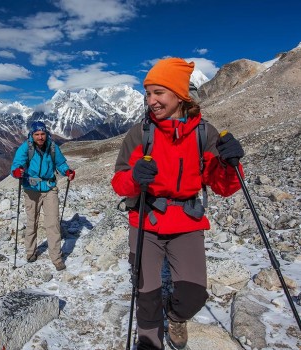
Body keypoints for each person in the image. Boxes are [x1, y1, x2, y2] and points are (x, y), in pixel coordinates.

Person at [111, 58, 245, 349]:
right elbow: (119, 182)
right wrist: (134, 178)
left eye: (158, 92)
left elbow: (223, 186)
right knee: (145, 294)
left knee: (194, 294)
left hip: (186, 221)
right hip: (146, 218)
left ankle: (175, 315)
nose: (151, 100)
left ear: (180, 94)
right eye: (148, 93)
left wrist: (231, 164)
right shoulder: (140, 134)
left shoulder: (204, 134)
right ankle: (149, 343)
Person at [11, 121, 75, 271]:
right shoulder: (26, 148)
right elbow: (16, 165)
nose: (40, 137)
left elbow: (60, 163)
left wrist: (67, 171)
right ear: (31, 135)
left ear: (46, 134)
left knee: (52, 223)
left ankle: (56, 258)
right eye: (37, 134)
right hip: (31, 188)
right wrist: (16, 172)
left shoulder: (52, 147)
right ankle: (30, 252)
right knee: (32, 221)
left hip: (49, 187)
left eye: (42, 134)